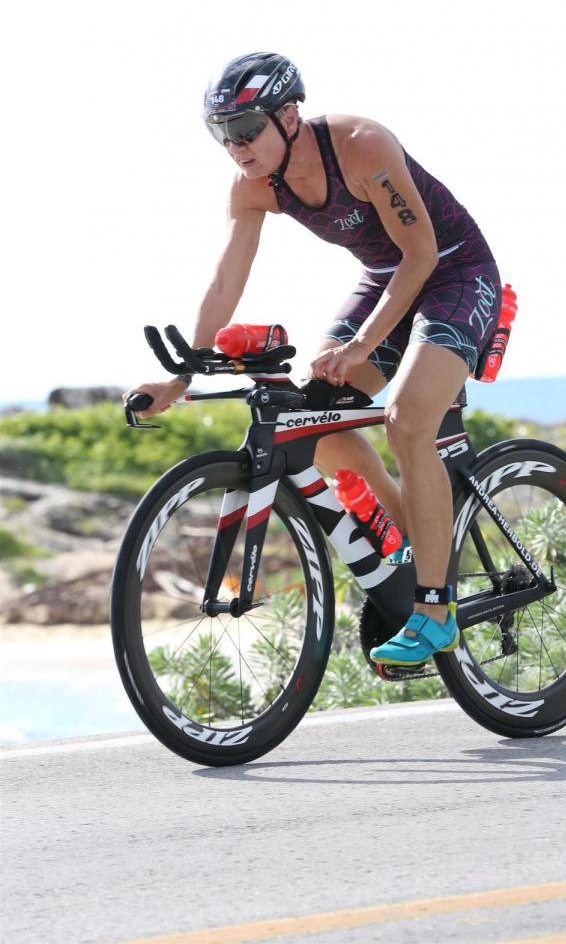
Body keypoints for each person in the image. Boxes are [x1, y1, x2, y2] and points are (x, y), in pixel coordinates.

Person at [128, 51, 502, 665]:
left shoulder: (361, 145)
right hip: (385, 279)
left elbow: (421, 254)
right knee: (311, 420)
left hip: (454, 271)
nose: (236, 147)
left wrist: (360, 346)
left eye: (246, 129)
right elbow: (226, 281)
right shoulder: (252, 187)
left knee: (408, 421)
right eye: (221, 134)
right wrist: (181, 377)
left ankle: (436, 613)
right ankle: (413, 535)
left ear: (289, 115)